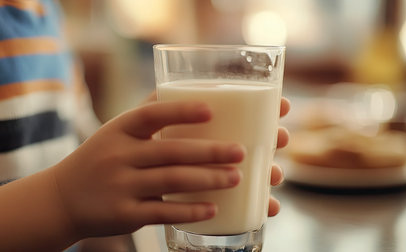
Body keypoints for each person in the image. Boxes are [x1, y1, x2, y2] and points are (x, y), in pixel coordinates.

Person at [0, 0, 290, 251]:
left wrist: (139, 158)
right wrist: (61, 201)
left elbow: (74, 138)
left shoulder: (43, 11)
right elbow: (70, 189)